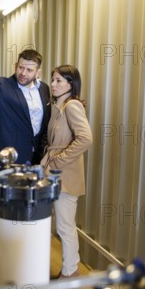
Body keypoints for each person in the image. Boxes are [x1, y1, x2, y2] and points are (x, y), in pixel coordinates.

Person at [41, 65, 93, 278]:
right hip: (52, 173)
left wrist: (58, 162)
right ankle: (65, 268)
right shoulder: (58, 107)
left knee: (65, 226)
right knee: (56, 224)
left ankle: (71, 272)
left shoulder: (72, 106)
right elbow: (53, 143)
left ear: (71, 85)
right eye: (52, 80)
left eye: (59, 81)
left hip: (66, 176)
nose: (53, 84)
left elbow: (86, 139)